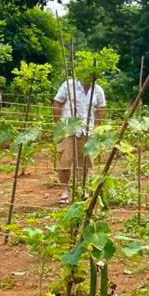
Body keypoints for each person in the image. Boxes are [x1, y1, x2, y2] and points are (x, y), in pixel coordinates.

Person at [52, 74, 106, 204]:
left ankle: (83, 191)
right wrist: (59, 124)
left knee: (85, 162)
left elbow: (100, 108)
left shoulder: (98, 89)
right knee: (66, 160)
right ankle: (64, 192)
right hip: (68, 129)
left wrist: (96, 127)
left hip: (87, 130)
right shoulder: (69, 85)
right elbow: (57, 103)